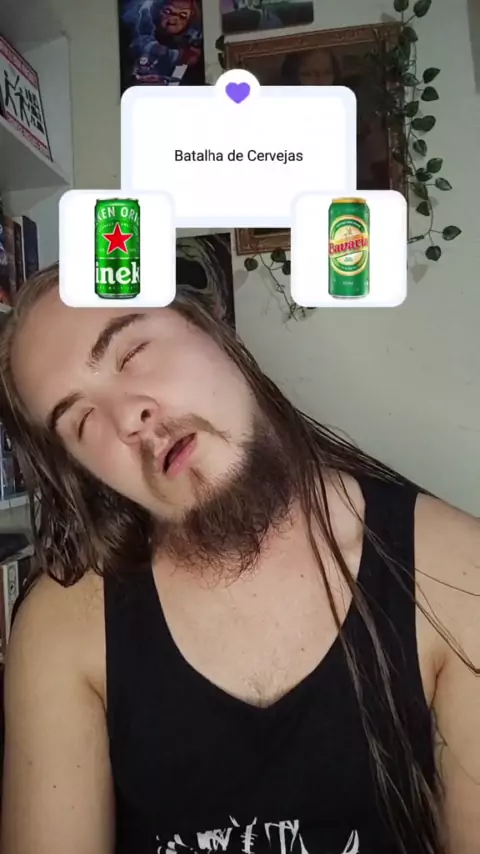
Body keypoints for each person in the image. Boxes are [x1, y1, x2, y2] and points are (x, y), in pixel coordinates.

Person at [0, 264, 479, 854]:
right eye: (82, 420)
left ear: (210, 325)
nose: (128, 419)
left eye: (131, 353)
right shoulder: (62, 629)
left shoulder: (457, 571)